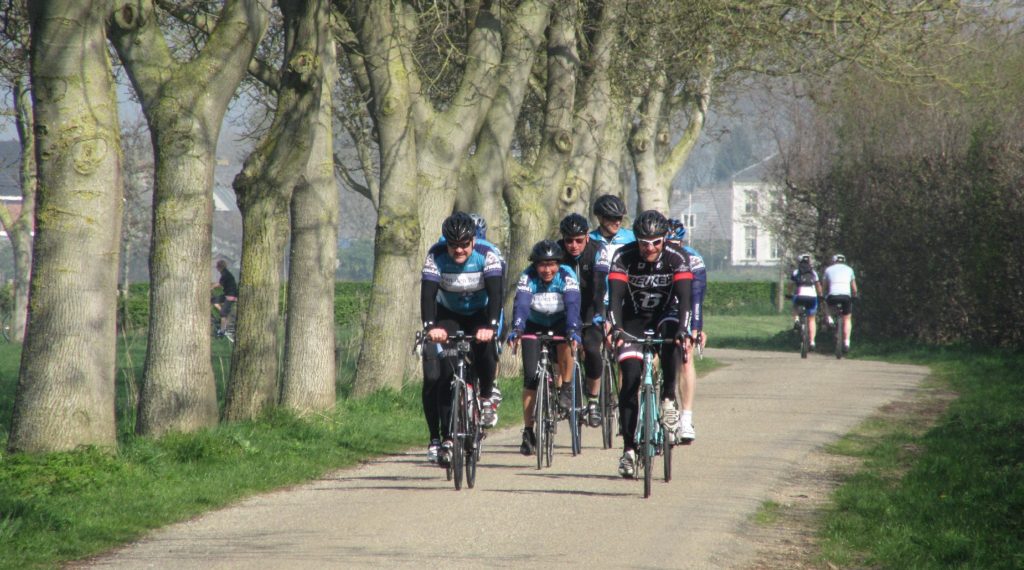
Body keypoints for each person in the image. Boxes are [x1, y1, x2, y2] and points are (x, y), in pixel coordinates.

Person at [607, 210, 695, 478]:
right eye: (644, 242)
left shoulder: (677, 258)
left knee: (673, 337)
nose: (650, 248)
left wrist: (685, 329)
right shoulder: (623, 256)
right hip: (633, 319)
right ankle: (629, 450)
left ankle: (668, 399)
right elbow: (615, 299)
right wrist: (617, 329)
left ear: (665, 239)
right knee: (630, 380)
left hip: (665, 314)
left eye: (656, 242)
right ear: (636, 240)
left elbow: (685, 299)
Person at [421, 212, 504, 465]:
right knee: (446, 375)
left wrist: (491, 326)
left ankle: (487, 395)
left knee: (487, 351)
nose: (459, 250)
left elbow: (497, 294)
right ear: (445, 242)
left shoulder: (487, 255)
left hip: (481, 312)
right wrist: (430, 327)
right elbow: (427, 296)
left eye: (464, 245)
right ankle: (447, 438)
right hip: (449, 314)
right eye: (453, 245)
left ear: (472, 241)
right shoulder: (436, 256)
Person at [506, 240, 582, 456]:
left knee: (566, 342)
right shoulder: (527, 276)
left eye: (551, 265)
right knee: (530, 378)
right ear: (535, 265)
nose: (547, 270)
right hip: (533, 326)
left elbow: (573, 303)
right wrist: (517, 328)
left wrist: (573, 330)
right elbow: (521, 303)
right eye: (542, 265)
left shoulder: (567, 275)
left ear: (558, 264)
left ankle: (566, 386)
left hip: (561, 323)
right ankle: (529, 431)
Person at [557, 213, 610, 428]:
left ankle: (594, 399)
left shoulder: (598, 251)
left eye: (579, 240)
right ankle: (559, 387)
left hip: (591, 306)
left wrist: (599, 313)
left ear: (587, 236)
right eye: (569, 240)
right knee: (559, 343)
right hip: (565, 305)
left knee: (592, 348)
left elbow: (599, 285)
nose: (573, 245)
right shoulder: (556, 251)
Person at [666, 218, 706, 443]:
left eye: (676, 244)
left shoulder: (693, 259)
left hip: (684, 308)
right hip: (659, 309)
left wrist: (696, 328)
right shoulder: (653, 256)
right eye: (667, 244)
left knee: (685, 356)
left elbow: (696, 297)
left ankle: (686, 418)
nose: (672, 249)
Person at [823, 253, 858, 353]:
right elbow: (854, 288)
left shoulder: (828, 270)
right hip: (846, 297)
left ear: (834, 261)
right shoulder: (850, 270)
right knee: (847, 318)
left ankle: (829, 319)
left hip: (833, 296)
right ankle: (847, 343)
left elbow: (824, 287)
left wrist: (824, 294)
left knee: (827, 302)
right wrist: (855, 295)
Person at [788, 253, 824, 350]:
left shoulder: (796, 272)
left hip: (800, 296)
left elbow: (790, 285)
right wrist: (820, 295)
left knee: (795, 305)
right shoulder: (813, 273)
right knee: (811, 319)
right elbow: (818, 286)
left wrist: (788, 294)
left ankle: (796, 320)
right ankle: (812, 342)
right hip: (812, 297)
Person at [588, 194, 635, 259]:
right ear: (600, 218)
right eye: (613, 218)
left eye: (619, 218)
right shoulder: (589, 240)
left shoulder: (632, 237)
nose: (618, 222)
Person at [211, 259, 238, 336]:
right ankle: (225, 313)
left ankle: (222, 331)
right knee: (213, 300)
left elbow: (219, 284)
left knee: (223, 314)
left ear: (220, 267)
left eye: (217, 267)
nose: (216, 268)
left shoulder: (225, 274)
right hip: (226, 295)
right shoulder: (224, 273)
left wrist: (210, 287)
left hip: (231, 296)